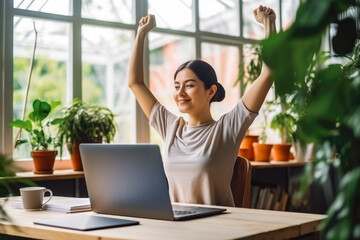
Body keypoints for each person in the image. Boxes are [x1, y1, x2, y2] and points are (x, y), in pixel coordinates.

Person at [128, 5, 276, 207]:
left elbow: (268, 74)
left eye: (189, 85)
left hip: (216, 230)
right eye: (177, 86)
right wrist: (141, 34)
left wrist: (269, 24)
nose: (180, 93)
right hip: (176, 229)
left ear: (211, 91)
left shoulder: (227, 128)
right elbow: (135, 83)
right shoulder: (171, 127)